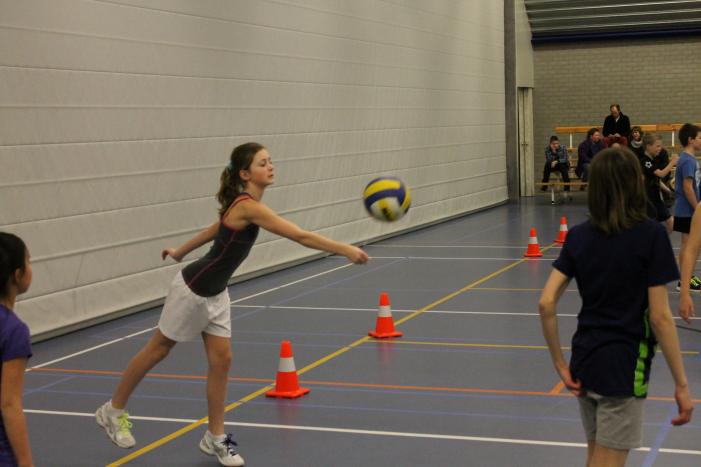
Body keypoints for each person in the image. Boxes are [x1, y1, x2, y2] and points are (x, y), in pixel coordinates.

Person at [95, 142, 369, 466]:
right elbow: (300, 236)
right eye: (262, 163)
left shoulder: (242, 206)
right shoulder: (250, 207)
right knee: (158, 350)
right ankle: (113, 410)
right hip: (193, 290)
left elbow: (216, 228)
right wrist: (344, 249)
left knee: (222, 361)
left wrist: (181, 250)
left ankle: (215, 437)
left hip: (217, 294)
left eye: (270, 161)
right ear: (245, 174)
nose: (270, 166)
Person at [539, 147, 693, 467]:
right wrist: (681, 384)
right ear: (634, 183)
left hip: (585, 359)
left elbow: (546, 302)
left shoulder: (578, 237)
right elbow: (661, 317)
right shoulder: (651, 235)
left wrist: (560, 365)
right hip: (624, 366)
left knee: (596, 456)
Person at [0, 233, 34, 467]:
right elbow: (9, 403)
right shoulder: (13, 330)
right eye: (28, 261)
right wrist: (25, 461)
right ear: (18, 274)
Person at [673, 123, 701, 293]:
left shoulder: (690, 159)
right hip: (687, 210)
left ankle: (686, 277)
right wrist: (697, 208)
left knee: (691, 244)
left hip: (689, 209)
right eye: (699, 138)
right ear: (691, 140)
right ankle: (684, 280)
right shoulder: (688, 161)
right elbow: (687, 188)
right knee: (689, 245)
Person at [639, 133, 677, 232]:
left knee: (670, 221)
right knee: (651, 226)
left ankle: (663, 241)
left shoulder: (652, 160)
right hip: (648, 199)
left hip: (656, 198)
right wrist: (672, 163)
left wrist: (668, 190)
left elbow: (657, 180)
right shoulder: (645, 161)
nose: (660, 148)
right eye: (657, 146)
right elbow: (661, 174)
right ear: (648, 146)